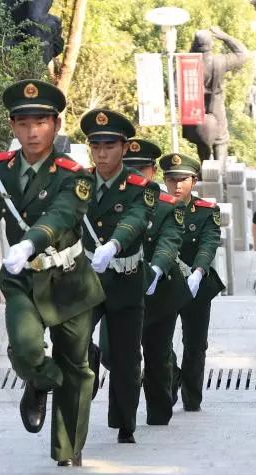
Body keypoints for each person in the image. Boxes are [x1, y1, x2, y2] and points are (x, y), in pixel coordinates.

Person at [0, 80, 104, 467]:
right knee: (26, 349)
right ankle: (42, 380)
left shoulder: (74, 175)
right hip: (22, 279)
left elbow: (61, 215)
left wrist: (29, 242)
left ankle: (68, 450)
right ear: (12, 126)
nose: (32, 131)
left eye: (41, 122)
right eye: (23, 122)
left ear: (56, 125)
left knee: (77, 364)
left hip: (68, 280)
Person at [79, 109, 154, 445]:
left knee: (126, 357)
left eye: (109, 146)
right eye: (95, 146)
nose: (102, 153)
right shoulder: (78, 182)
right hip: (87, 279)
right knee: (73, 340)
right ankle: (88, 360)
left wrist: (114, 243)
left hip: (125, 278)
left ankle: (125, 423)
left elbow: (136, 219)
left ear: (124, 148)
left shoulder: (140, 187)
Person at [121, 139, 185, 426]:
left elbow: (169, 242)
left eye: (141, 169)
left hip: (159, 290)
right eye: (129, 168)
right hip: (122, 290)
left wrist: (156, 269)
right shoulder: (111, 202)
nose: (135, 175)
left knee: (157, 356)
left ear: (152, 170)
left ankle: (158, 413)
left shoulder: (167, 206)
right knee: (116, 356)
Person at [160, 153, 225, 412]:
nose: (177, 185)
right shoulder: (156, 208)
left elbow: (209, 243)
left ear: (194, 181)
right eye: (172, 179)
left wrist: (198, 271)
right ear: (164, 180)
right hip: (164, 285)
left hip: (196, 286)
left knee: (195, 344)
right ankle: (172, 375)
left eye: (183, 179)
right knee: (159, 342)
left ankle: (192, 396)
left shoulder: (207, 212)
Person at [182, 27, 249, 161]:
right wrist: (225, 37)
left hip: (195, 107)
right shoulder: (220, 61)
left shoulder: (188, 62)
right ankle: (220, 171)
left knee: (201, 139)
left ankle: (206, 168)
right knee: (220, 139)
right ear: (211, 44)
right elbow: (243, 54)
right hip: (216, 105)